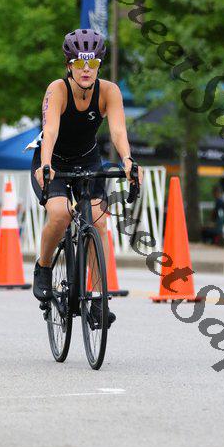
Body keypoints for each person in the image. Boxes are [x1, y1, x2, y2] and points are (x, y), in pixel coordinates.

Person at [30, 28, 143, 327]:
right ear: (69, 65)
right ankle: (43, 267)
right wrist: (45, 165)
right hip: (52, 159)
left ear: (99, 65)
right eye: (79, 63)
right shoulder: (58, 89)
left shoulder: (109, 91)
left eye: (92, 63)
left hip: (88, 159)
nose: (86, 70)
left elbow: (118, 131)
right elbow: (50, 131)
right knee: (59, 214)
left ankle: (96, 299)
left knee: (98, 221)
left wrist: (128, 161)